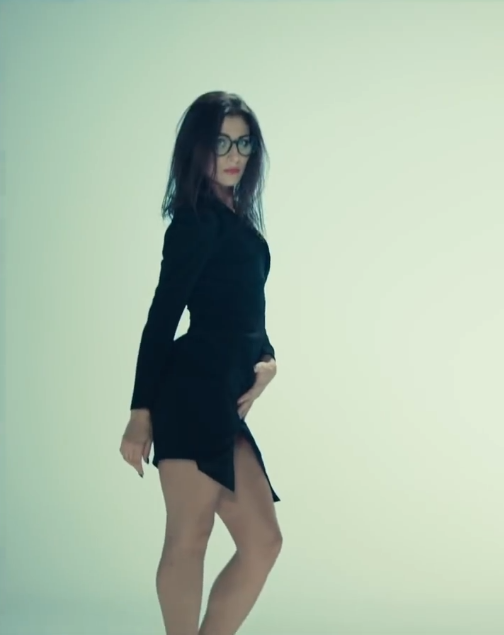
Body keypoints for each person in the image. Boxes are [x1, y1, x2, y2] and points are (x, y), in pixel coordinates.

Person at [118, 91, 284, 635]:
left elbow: (244, 314)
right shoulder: (193, 223)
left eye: (244, 143)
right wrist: (140, 413)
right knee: (189, 539)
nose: (235, 155)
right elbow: (161, 318)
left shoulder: (241, 226)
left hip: (224, 405)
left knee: (263, 542)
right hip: (189, 395)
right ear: (197, 149)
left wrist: (268, 362)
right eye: (221, 143)